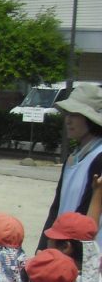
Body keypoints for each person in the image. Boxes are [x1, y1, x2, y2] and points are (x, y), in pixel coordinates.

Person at [41, 83, 102, 249]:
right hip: (63, 245)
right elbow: (57, 206)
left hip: (82, 251)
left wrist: (66, 249)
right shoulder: (74, 156)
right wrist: (43, 246)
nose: (68, 120)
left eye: (75, 114)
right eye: (67, 113)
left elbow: (86, 213)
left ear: (91, 119)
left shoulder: (99, 157)